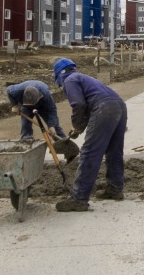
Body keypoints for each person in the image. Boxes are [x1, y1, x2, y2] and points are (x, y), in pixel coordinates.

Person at [52, 57, 127, 212]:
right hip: (119, 105)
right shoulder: (83, 77)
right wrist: (79, 128)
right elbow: (88, 105)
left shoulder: (70, 80)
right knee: (114, 151)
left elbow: (79, 105)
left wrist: (77, 125)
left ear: (59, 75)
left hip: (104, 108)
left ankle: (79, 198)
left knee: (90, 152)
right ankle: (115, 188)